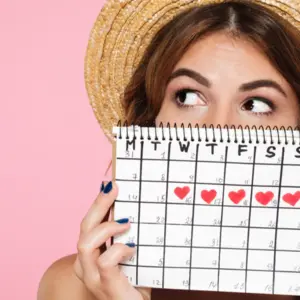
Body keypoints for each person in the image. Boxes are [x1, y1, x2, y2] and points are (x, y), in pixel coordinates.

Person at [37, 0, 300, 299]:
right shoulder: (71, 288)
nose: (218, 130)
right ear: (151, 120)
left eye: (256, 104)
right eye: (188, 96)